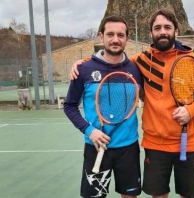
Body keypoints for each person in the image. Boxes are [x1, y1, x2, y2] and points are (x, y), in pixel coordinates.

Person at [70, 8, 194, 198]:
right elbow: (112, 60)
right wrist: (83, 62)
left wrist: (192, 110)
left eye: (167, 27)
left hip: (187, 143)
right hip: (155, 146)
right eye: (157, 28)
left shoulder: (193, 60)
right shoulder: (140, 61)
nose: (162, 31)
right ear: (151, 33)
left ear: (176, 30)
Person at [64, 15, 143, 198]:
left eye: (120, 35)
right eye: (110, 34)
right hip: (95, 146)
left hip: (128, 147)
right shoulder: (84, 69)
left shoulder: (136, 69)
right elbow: (69, 106)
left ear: (127, 39)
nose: (115, 39)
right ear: (101, 36)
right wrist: (89, 130)